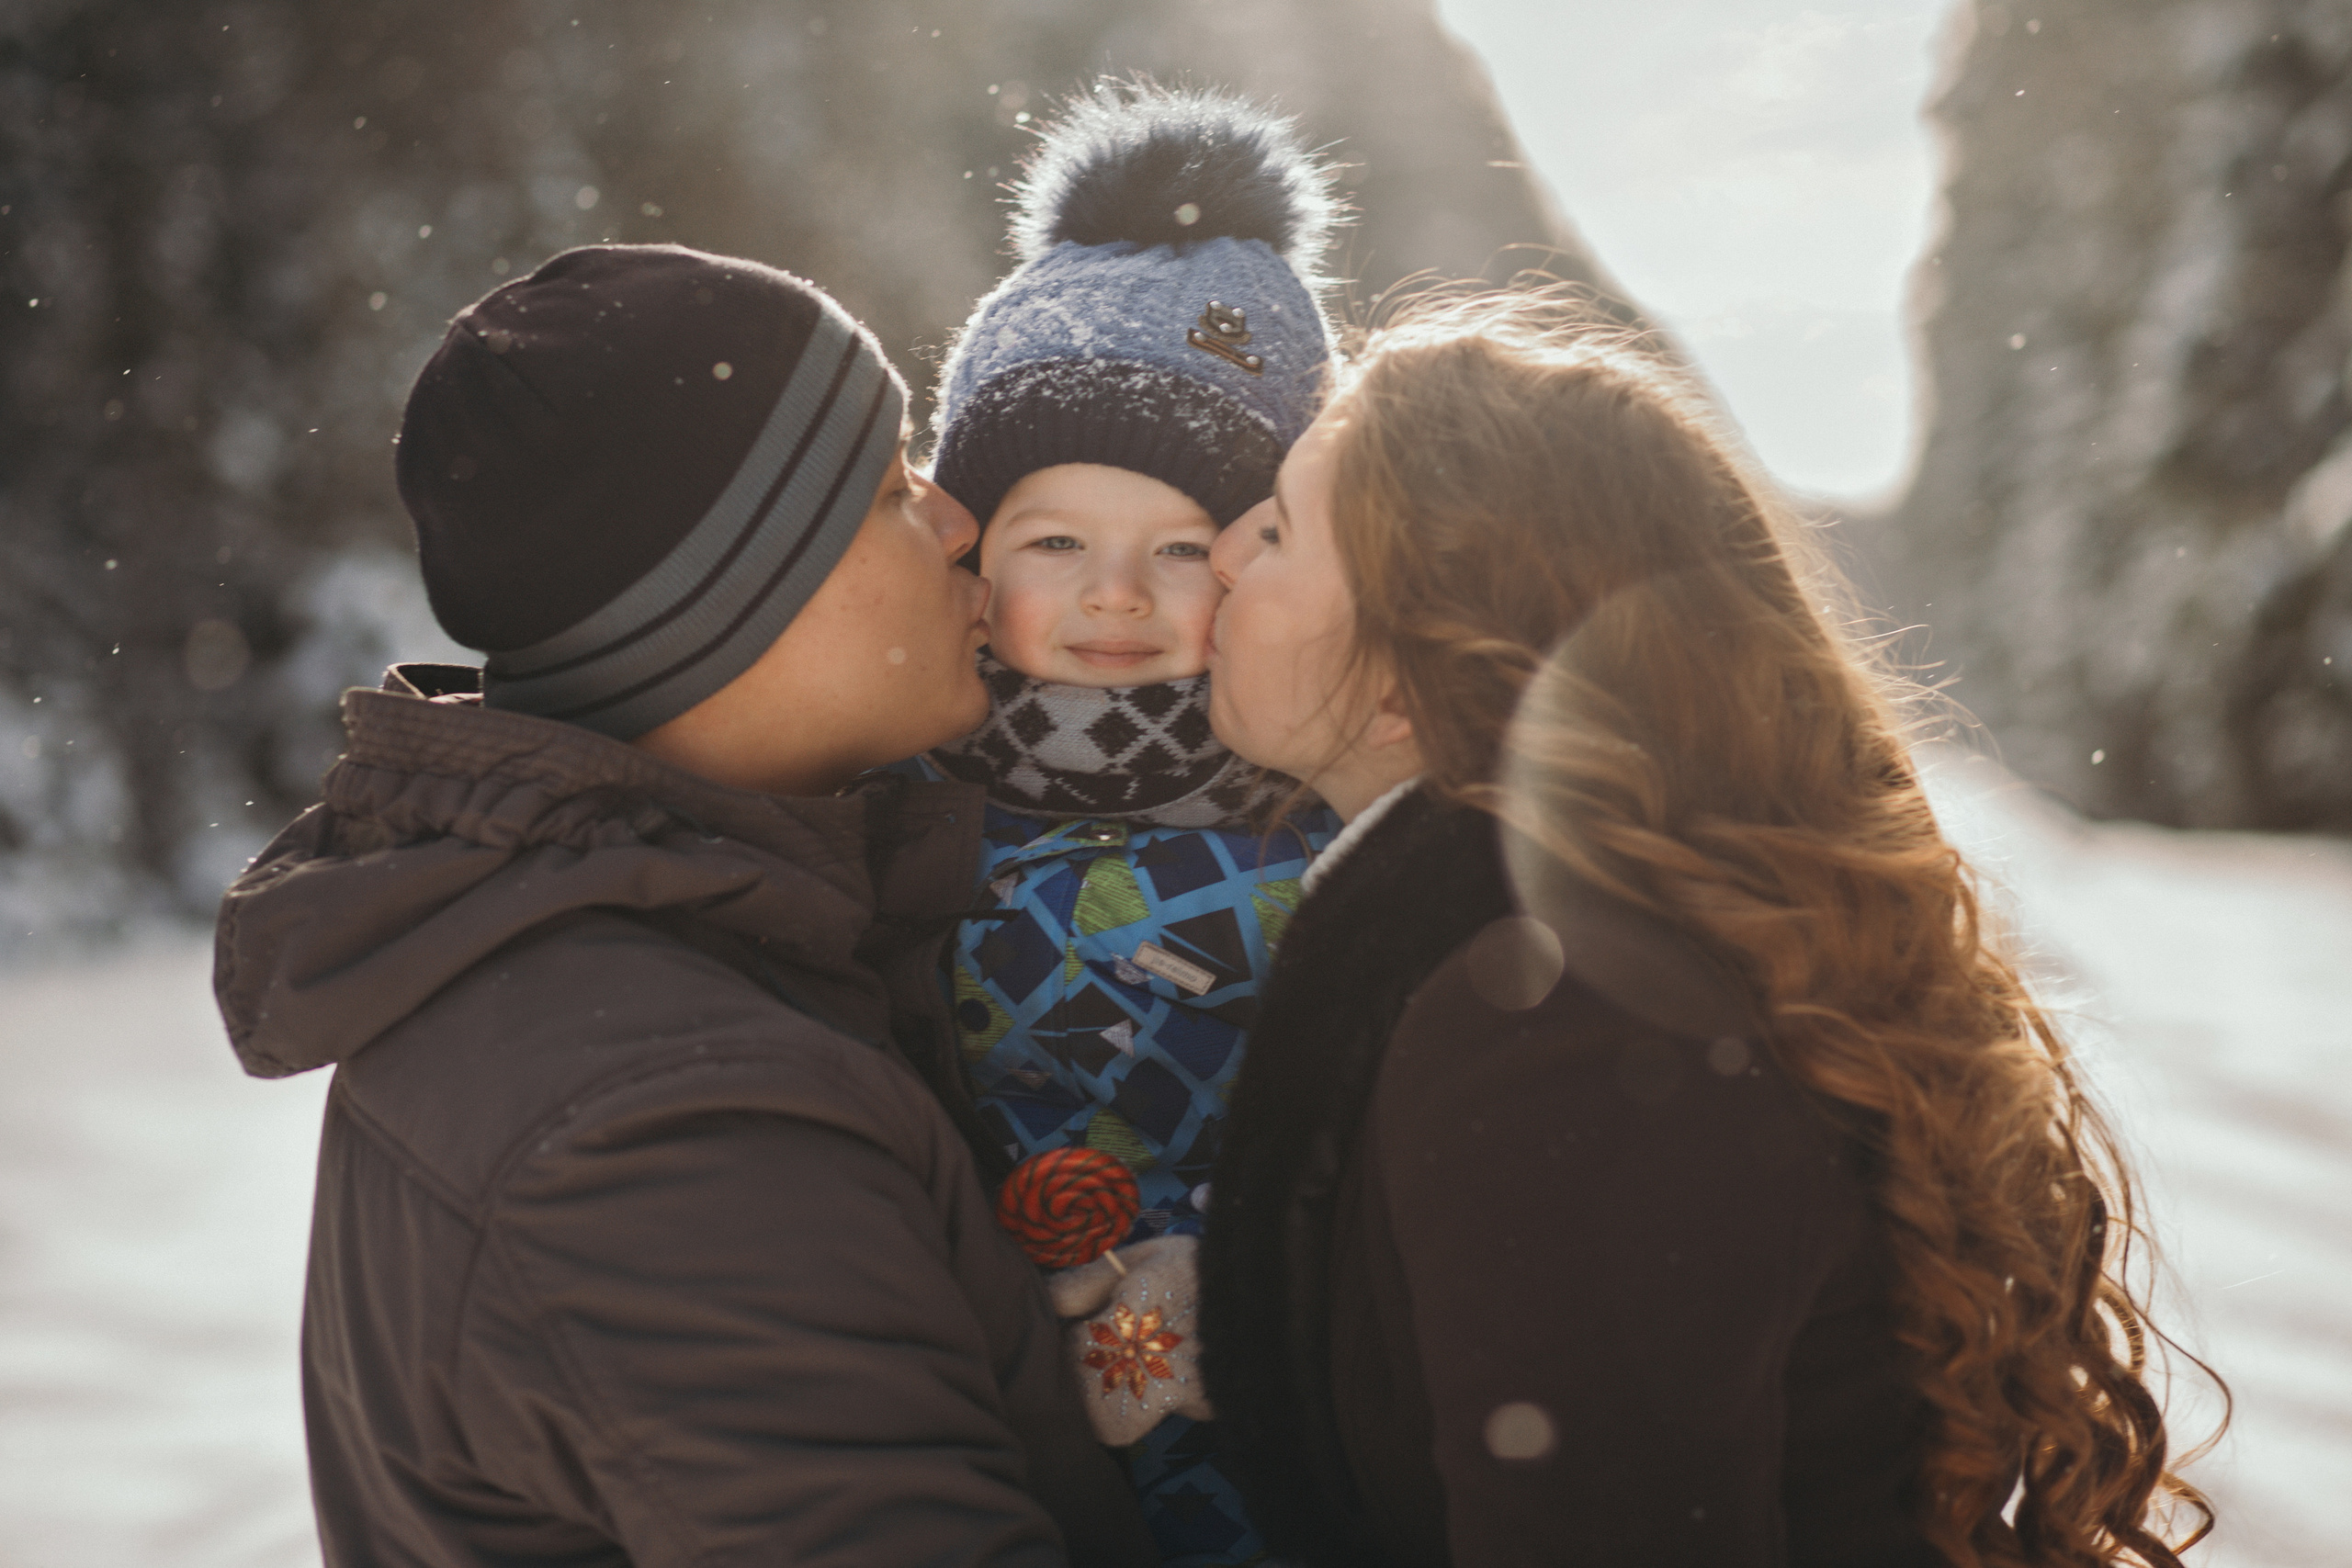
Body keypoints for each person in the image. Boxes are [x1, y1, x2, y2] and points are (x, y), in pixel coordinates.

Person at [1195, 291, 2217, 1566]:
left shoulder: (1560, 1024)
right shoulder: (1571, 963)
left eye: (1282, 528)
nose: (1224, 550)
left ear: (1413, 676)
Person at [213, 243, 1156, 1566]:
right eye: (891, 489)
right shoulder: (662, 1115)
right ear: (728, 608)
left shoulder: (617, 962)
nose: (959, 525)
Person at [920, 86, 1341, 1568]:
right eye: (1057, 543)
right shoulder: (896, 799)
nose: (1118, 596)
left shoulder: (1327, 824)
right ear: (971, 559)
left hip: (1288, 1436)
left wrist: (1246, 1269)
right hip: (977, 1424)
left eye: (1181, 549)